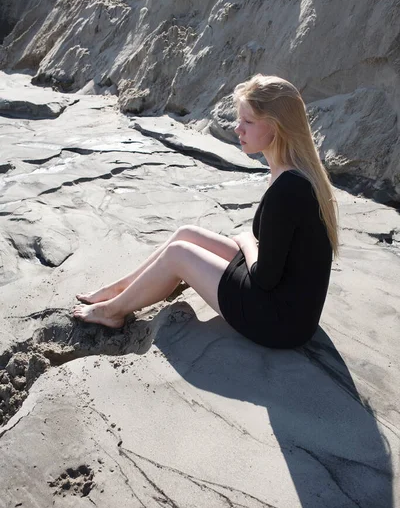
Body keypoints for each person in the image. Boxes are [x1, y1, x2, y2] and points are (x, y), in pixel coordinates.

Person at [73, 74, 339, 349]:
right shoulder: (293, 173)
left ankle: (111, 312)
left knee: (179, 254)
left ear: (275, 127)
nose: (238, 129)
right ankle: (119, 290)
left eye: (248, 122)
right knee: (186, 234)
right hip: (286, 302)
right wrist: (249, 242)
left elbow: (264, 277)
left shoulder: (288, 189)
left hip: (279, 322)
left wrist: (247, 240)